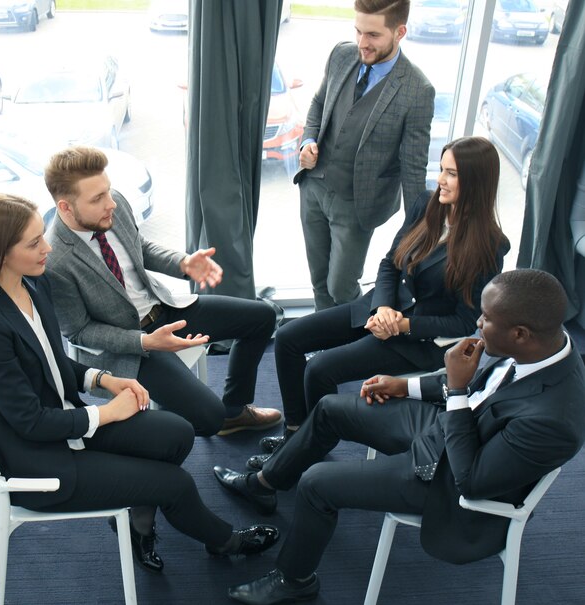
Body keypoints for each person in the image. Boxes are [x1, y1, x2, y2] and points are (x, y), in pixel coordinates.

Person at [0, 194, 280, 585]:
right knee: (175, 484)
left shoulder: (32, 286)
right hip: (40, 458)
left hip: (67, 425)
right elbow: (30, 423)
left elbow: (53, 364)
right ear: (0, 253)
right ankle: (224, 542)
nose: (46, 247)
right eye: (33, 243)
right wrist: (106, 413)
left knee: (177, 432)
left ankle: (138, 525)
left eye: (41, 236)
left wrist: (104, 379)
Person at [213, 269, 585, 604]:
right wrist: (404, 386)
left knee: (315, 483)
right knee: (329, 407)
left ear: (520, 334)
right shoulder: (538, 341)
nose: (478, 322)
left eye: (486, 319)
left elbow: (470, 480)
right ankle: (265, 483)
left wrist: (455, 391)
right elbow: (475, 382)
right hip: (448, 427)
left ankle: (295, 580)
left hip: (448, 479)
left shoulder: (553, 419)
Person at [249, 137, 510, 471]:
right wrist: (382, 309)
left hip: (418, 340)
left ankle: (303, 455)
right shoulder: (428, 203)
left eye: (452, 174)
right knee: (287, 338)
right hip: (382, 308)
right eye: (442, 169)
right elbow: (390, 263)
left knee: (319, 369)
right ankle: (296, 434)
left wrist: (402, 325)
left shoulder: (491, 246)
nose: (441, 179)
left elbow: (463, 321)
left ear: (476, 181)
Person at [42, 145, 281, 438]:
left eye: (108, 190)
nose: (111, 203)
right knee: (209, 418)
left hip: (164, 309)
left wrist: (182, 262)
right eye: (97, 198)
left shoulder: (113, 204)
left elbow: (138, 247)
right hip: (128, 345)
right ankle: (171, 425)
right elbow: (79, 332)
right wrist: (145, 342)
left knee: (263, 316)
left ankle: (235, 411)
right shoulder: (54, 260)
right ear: (65, 207)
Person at [294, 0, 435, 311]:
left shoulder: (417, 90)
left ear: (400, 32)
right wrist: (307, 142)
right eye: (358, 31)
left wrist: (420, 228)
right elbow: (319, 104)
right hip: (314, 188)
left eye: (373, 35)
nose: (362, 43)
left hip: (358, 205)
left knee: (341, 288)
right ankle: (322, 344)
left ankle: (355, 345)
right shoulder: (341, 54)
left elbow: (413, 167)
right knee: (319, 280)